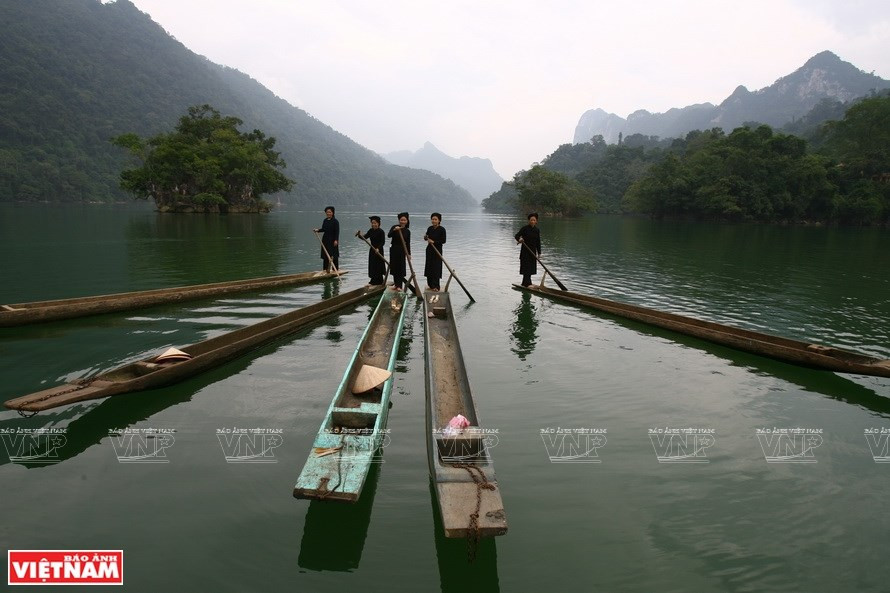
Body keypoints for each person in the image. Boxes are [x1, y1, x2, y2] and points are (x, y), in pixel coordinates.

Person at [358, 215, 387, 285]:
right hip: (372, 250)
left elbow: (383, 242)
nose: (373, 224)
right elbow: (365, 237)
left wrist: (378, 248)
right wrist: (359, 235)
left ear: (378, 223)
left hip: (379, 250)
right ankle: (373, 280)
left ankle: (379, 281)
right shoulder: (370, 231)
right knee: (372, 265)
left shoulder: (381, 232)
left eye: (375, 223)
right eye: (372, 223)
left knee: (378, 265)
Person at [515, 212, 541, 287]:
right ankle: (527, 284)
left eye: (534, 220)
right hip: (525, 252)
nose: (532, 221)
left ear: (536, 221)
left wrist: (539, 253)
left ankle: (526, 283)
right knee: (526, 269)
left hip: (533, 252)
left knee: (530, 269)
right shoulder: (524, 229)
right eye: (531, 220)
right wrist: (519, 239)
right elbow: (517, 236)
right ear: (529, 221)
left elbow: (538, 242)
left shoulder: (537, 230)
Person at [388, 212, 411, 291]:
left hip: (402, 251)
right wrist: (394, 230)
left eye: (404, 220)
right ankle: (396, 284)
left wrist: (409, 254)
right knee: (394, 267)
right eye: (401, 220)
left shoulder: (407, 231)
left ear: (407, 221)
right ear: (399, 220)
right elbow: (389, 235)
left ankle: (399, 286)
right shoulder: (394, 227)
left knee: (400, 268)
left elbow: (408, 243)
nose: (403, 221)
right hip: (394, 250)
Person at [423, 212, 446, 291]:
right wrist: (425, 237)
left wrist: (434, 242)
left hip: (437, 251)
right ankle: (430, 284)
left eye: (435, 219)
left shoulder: (442, 229)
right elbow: (427, 237)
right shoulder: (430, 228)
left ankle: (436, 286)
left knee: (436, 268)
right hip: (429, 250)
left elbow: (443, 241)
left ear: (439, 220)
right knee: (429, 267)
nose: (434, 221)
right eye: (432, 219)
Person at [314, 206, 339, 272]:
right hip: (325, 240)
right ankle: (325, 270)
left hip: (333, 240)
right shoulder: (325, 220)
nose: (328, 213)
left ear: (333, 213)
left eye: (330, 212)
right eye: (327, 212)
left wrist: (336, 240)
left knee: (333, 255)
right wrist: (318, 230)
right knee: (325, 255)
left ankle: (335, 269)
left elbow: (337, 231)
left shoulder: (335, 221)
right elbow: (324, 229)